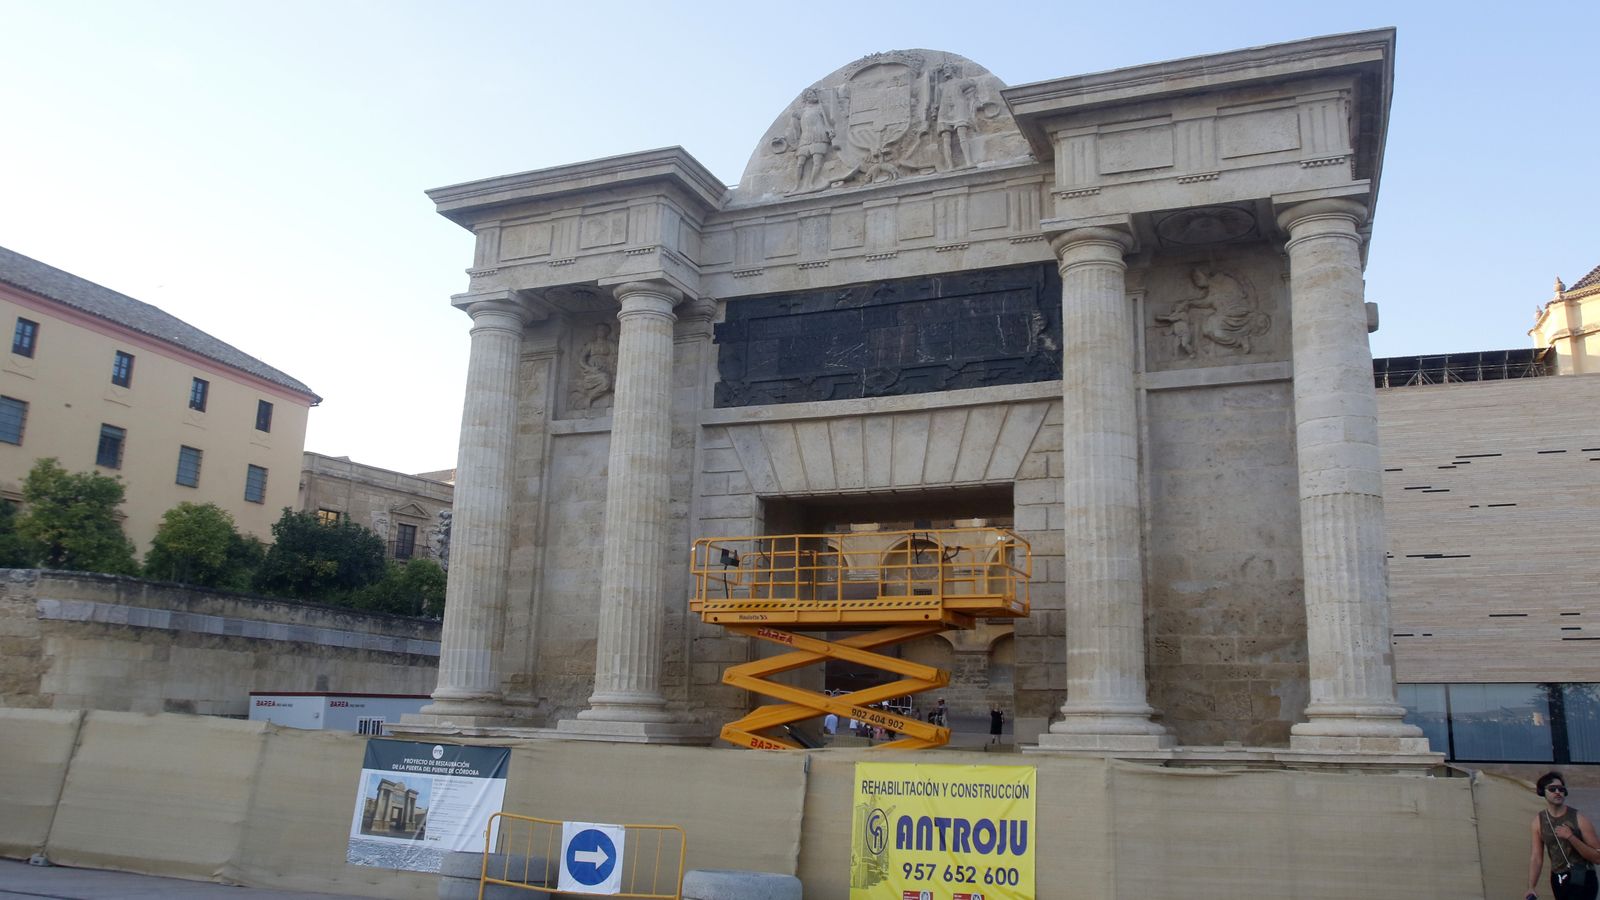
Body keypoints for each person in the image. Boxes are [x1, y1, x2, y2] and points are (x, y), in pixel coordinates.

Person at [1528, 771, 1599, 900]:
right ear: (1543, 792)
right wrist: (1531, 887)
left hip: (1583, 876)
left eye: (1561, 789)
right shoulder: (1538, 822)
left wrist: (1571, 837)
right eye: (1552, 789)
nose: (1557, 792)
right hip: (1558, 878)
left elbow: (1598, 857)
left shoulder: (1579, 819)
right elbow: (1536, 858)